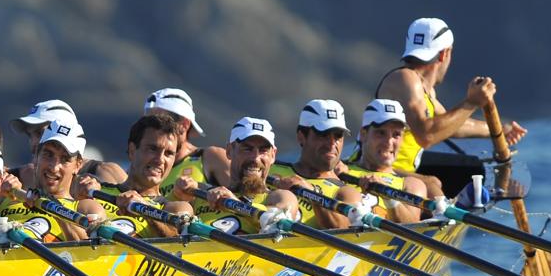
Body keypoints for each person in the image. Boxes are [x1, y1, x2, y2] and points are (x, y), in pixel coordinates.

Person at [374, 17, 526, 176]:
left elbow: (451, 125)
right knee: (435, 184)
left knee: (472, 168)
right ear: (444, 54)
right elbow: (426, 136)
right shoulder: (405, 79)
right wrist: (472, 102)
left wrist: (499, 129)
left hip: (401, 170)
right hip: (379, 171)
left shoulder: (425, 89)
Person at [171, 117, 299, 234]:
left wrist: (235, 204)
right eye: (247, 149)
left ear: (273, 155)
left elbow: (277, 221)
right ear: (229, 151)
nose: (255, 158)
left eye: (263, 150)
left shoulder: (282, 197)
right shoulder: (201, 194)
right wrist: (176, 194)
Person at [77, 113, 186, 238]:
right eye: (152, 149)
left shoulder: (175, 208)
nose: (160, 160)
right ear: (132, 150)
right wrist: (75, 196)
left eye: (168, 153)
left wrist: (146, 210)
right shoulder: (96, 191)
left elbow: (177, 241)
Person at [0, 121, 106, 242]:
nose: (54, 167)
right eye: (48, 155)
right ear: (37, 155)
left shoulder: (86, 208)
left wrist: (54, 208)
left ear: (77, 165)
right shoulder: (10, 195)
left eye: (65, 159)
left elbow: (89, 253)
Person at [268, 98, 363, 230]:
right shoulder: (269, 169)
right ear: (301, 136)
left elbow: (344, 229)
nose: (332, 144)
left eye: (338, 136)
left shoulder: (345, 192)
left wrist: (312, 194)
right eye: (323, 135)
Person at [338, 100, 432, 223]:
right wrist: (333, 177)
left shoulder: (411, 185)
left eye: (396, 134)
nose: (389, 142)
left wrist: (387, 196)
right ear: (363, 134)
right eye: (381, 133)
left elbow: (410, 228)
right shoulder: (339, 170)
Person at [9, 99, 124, 187]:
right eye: (30, 135)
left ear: (64, 130)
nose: (34, 143)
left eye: (40, 133)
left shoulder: (106, 173)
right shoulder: (22, 175)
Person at [143, 87, 231, 193]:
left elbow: (248, 201)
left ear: (184, 125)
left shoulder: (211, 157)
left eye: (159, 123)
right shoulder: (141, 167)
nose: (151, 131)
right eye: (147, 124)